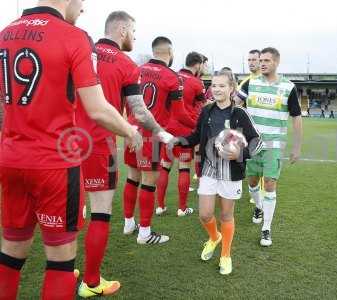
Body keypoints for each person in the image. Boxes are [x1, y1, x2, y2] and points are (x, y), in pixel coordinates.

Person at [0, 1, 141, 299]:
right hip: (54, 163)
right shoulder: (72, 35)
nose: (83, 9)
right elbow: (98, 108)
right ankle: (91, 281)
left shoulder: (5, 32)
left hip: (11, 157)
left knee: (11, 255)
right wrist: (130, 131)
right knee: (61, 262)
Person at [76, 11, 171, 298]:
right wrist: (161, 132)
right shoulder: (125, 63)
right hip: (98, 142)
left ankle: (63, 268)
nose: (134, 37)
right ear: (122, 30)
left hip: (64, 140)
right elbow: (139, 112)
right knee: (101, 213)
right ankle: (92, 282)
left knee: (63, 211)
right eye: (133, 31)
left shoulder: (80, 49)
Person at [171, 70, 262, 275]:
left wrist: (240, 153)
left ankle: (226, 255)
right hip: (209, 169)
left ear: (231, 89)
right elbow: (196, 136)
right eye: (214, 85)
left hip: (231, 173)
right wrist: (177, 140)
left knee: (226, 215)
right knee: (204, 214)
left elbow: (258, 142)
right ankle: (214, 237)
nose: (217, 89)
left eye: (222, 85)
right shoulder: (207, 111)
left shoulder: (240, 113)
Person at [123, 36, 196, 244]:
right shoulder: (172, 77)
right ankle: (144, 233)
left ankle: (128, 223)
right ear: (170, 52)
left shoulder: (137, 69)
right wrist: (197, 126)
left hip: (132, 130)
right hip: (152, 135)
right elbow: (180, 114)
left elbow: (128, 102)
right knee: (148, 182)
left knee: (132, 177)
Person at [237, 47, 302, 247]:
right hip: (252, 143)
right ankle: (258, 206)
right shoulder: (251, 84)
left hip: (274, 146)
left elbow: (297, 117)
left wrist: (297, 146)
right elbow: (236, 105)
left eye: (266, 60)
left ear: (276, 62)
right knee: (253, 181)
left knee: (270, 184)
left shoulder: (288, 87)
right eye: (261, 60)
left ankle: (266, 228)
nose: (262, 63)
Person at [156, 52, 206, 216]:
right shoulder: (197, 83)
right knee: (184, 168)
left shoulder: (171, 76)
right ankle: (182, 208)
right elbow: (202, 105)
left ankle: (160, 206)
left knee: (165, 165)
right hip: (185, 128)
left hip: (168, 128)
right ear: (197, 64)